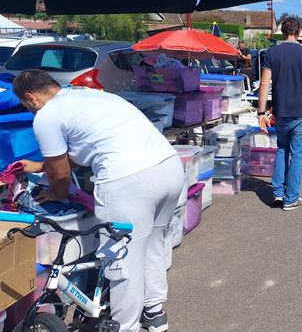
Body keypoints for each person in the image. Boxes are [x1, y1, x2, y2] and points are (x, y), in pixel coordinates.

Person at [12, 69, 184, 332]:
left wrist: (58, 193)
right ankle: (154, 312)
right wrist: (38, 166)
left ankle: (125, 327)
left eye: (27, 106)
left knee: (122, 259)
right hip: (168, 168)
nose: (31, 111)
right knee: (152, 245)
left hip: (129, 180)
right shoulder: (90, 97)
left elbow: (60, 173)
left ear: (30, 97)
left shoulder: (46, 115)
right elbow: (90, 146)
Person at [258, 17, 302, 210]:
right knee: (297, 154)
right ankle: (291, 198)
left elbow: (265, 84)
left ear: (282, 32)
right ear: (299, 32)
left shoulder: (271, 53)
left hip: (281, 112)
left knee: (282, 149)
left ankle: (278, 193)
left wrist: (261, 111)